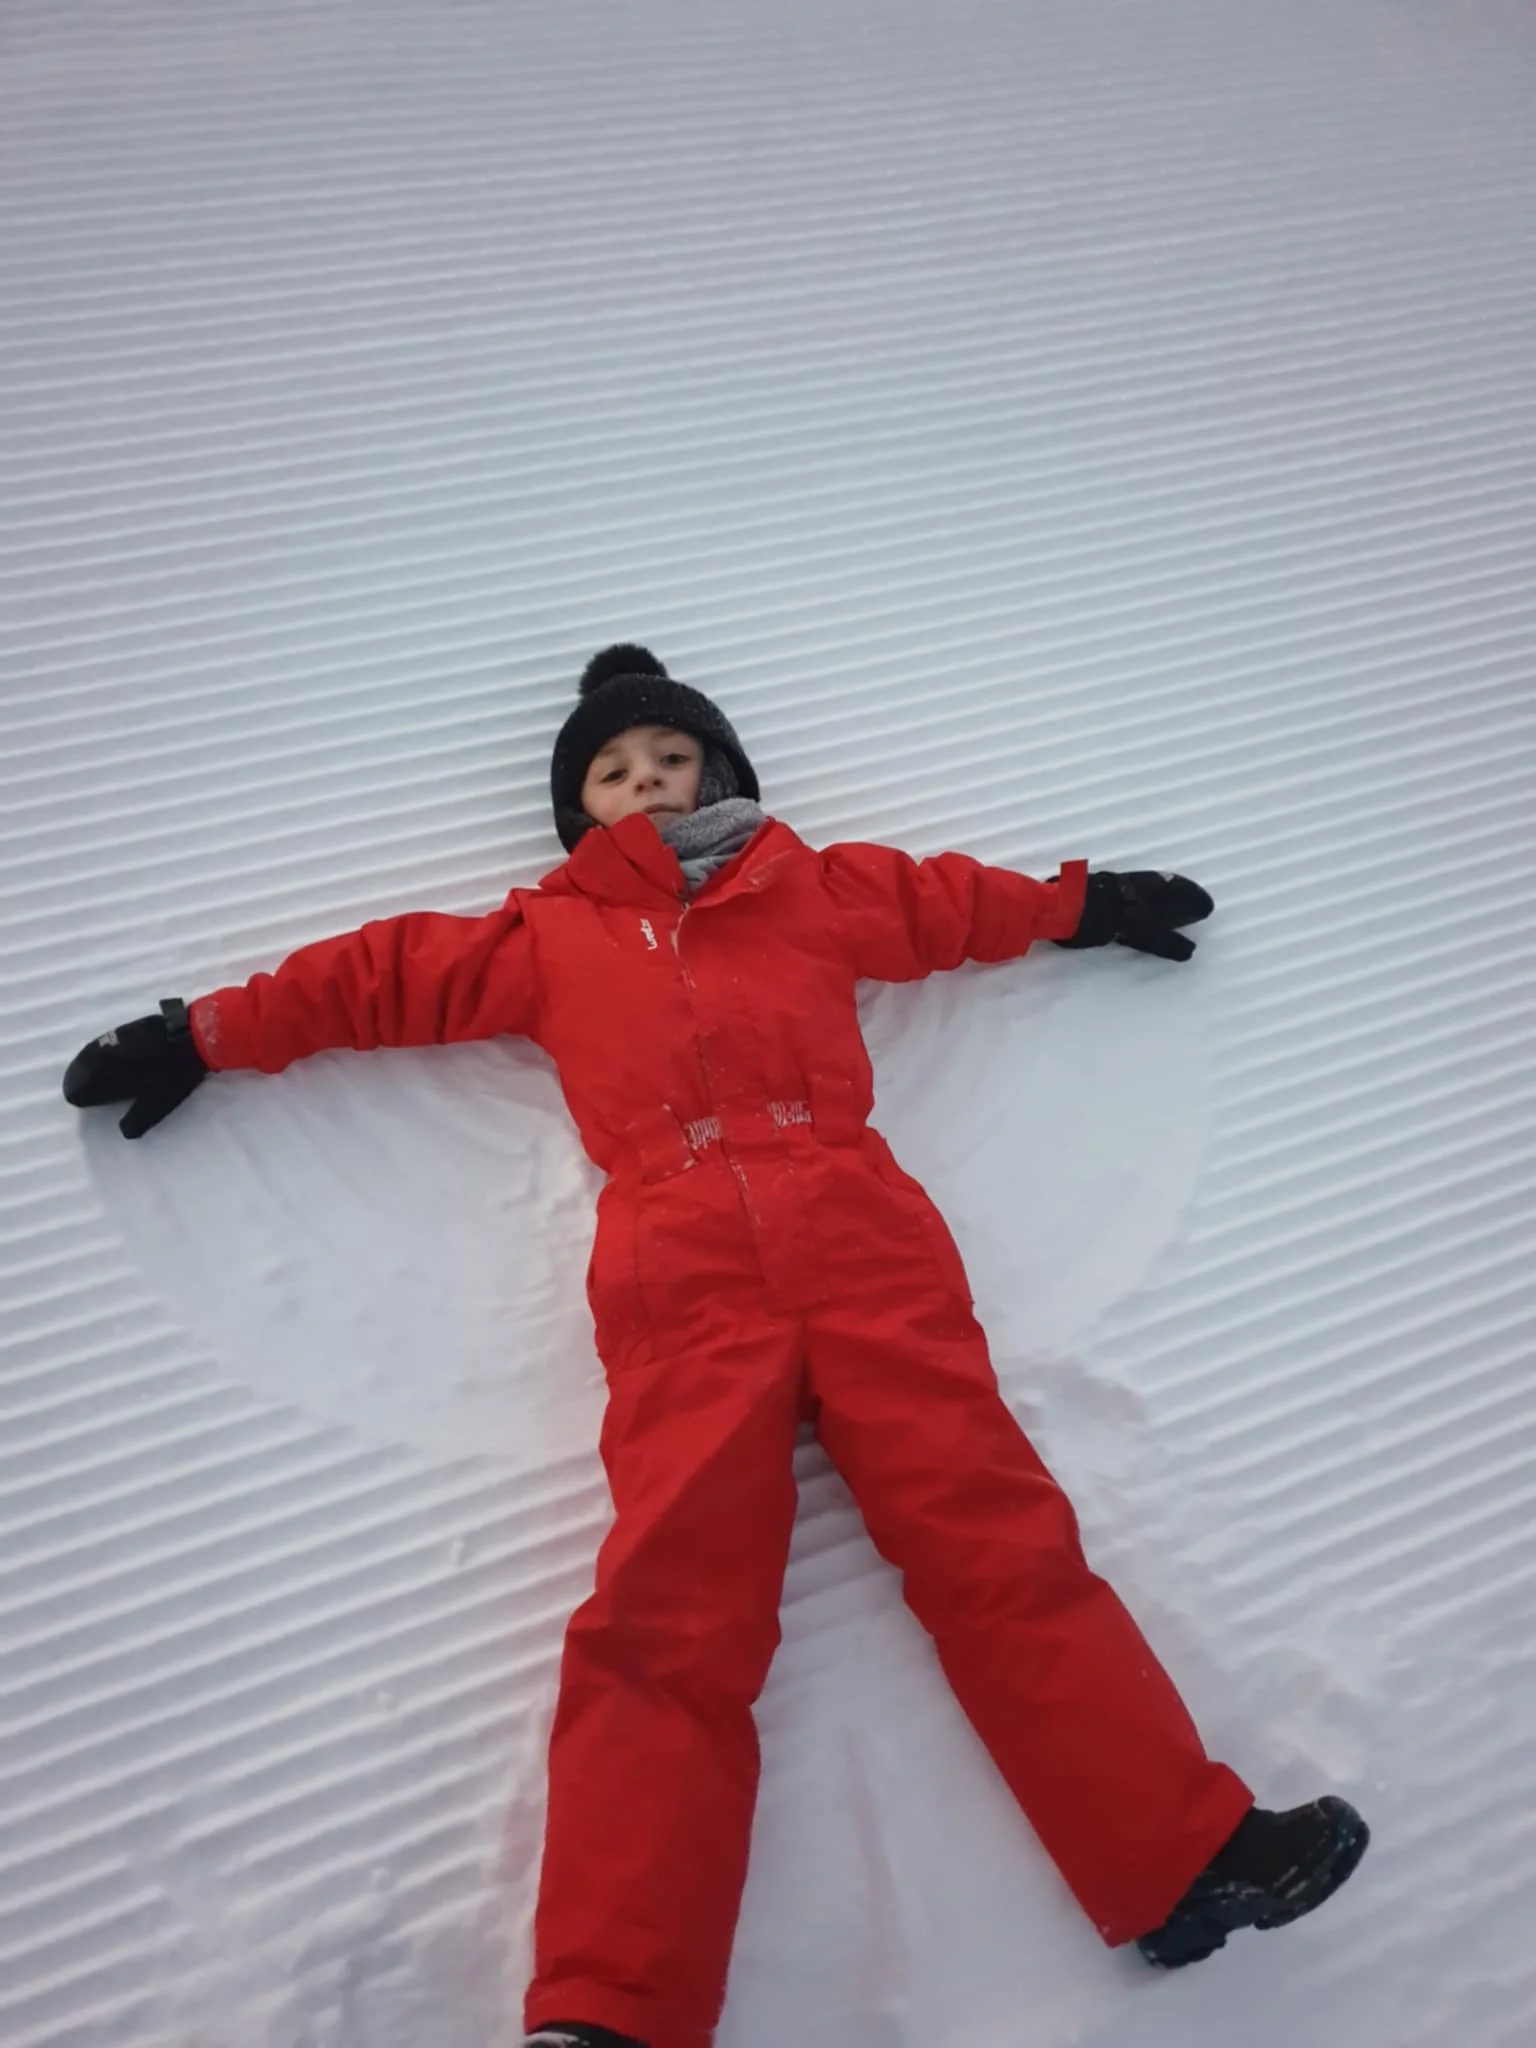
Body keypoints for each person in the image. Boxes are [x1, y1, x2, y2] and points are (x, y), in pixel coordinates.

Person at [63, 646, 1368, 2048]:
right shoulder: (545, 932)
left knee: (1001, 1546)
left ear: (719, 774)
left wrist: (1084, 904)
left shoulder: (810, 886)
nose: (644, 785)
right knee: (668, 1621)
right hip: (683, 1274)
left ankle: (1179, 1862)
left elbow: (948, 903)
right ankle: (616, 2007)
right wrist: (205, 1032)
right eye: (613, 774)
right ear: (581, 811)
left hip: (864, 1240)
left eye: (668, 761)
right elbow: (378, 980)